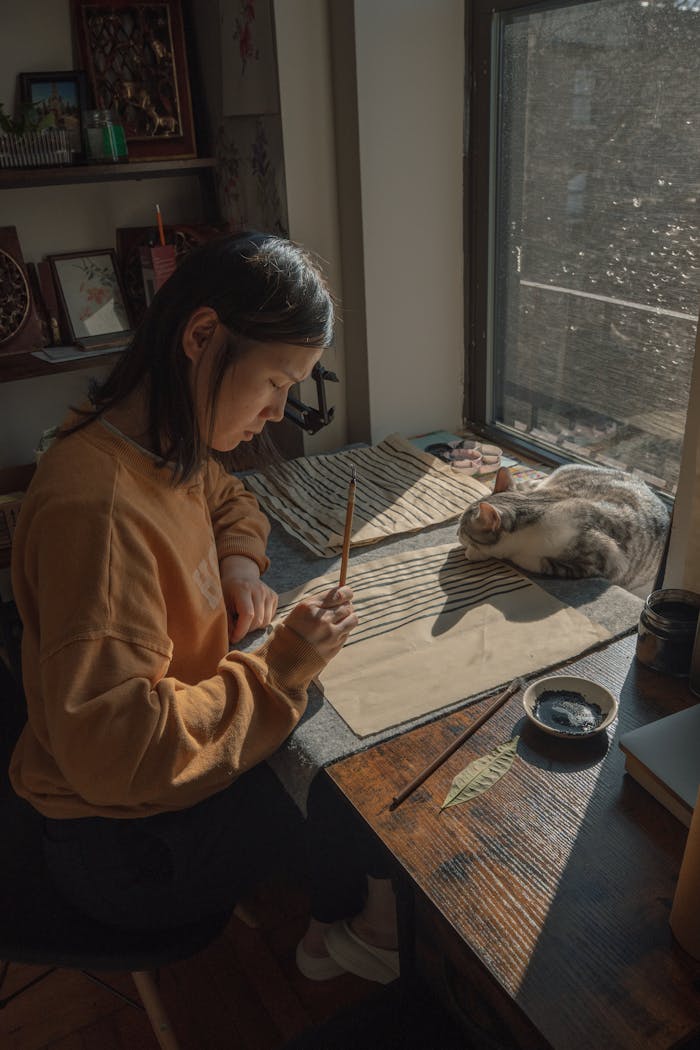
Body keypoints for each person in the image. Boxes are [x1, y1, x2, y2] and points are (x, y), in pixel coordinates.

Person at [9, 230, 398, 981]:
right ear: (202, 336)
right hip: (124, 850)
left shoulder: (148, 443)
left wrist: (238, 564)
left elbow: (228, 497)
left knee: (321, 747)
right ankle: (349, 935)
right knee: (350, 781)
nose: (279, 413)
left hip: (130, 799)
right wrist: (282, 666)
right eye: (276, 384)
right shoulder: (100, 511)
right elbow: (117, 755)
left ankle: (331, 920)